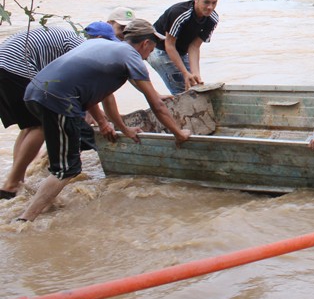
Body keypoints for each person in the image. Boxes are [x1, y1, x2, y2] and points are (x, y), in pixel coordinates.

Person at [17, 19, 191, 221]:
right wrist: (179, 133)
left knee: (61, 159)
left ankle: (42, 200)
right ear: (145, 44)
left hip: (34, 93)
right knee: (68, 169)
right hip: (59, 100)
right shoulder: (132, 57)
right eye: (152, 47)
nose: (151, 53)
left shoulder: (101, 45)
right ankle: (24, 220)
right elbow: (157, 104)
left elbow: (99, 95)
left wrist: (118, 127)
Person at [0, 24, 83, 200]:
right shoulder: (80, 44)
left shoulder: (67, 36)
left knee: (29, 127)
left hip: (4, 64)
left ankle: (16, 178)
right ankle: (12, 184)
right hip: (16, 67)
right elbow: (79, 79)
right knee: (42, 127)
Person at [149, 0, 220, 94]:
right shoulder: (179, 13)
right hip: (159, 49)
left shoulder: (212, 19)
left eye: (214, 3)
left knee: (195, 84)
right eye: (206, 2)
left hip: (180, 51)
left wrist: (196, 74)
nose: (210, 7)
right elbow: (169, 45)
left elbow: (194, 47)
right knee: (182, 91)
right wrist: (185, 73)